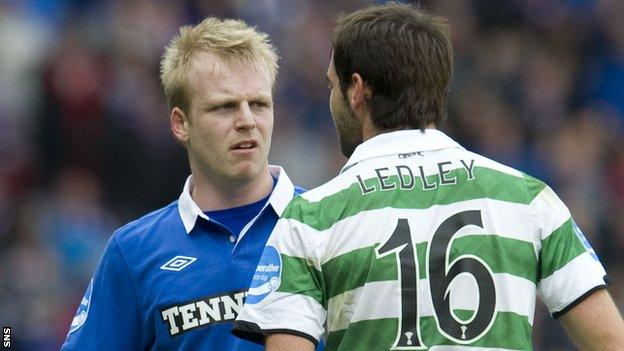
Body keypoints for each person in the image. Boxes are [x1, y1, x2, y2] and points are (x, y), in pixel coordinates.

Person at [233, 3, 624, 350]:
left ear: (357, 90)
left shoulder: (312, 217)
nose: (331, 99)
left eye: (332, 85)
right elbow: (609, 341)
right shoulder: (529, 198)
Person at [61, 17, 306, 350]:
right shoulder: (134, 252)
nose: (247, 121)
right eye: (225, 106)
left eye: (259, 104)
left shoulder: (328, 225)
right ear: (180, 123)